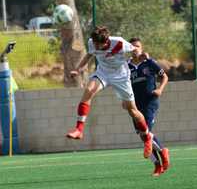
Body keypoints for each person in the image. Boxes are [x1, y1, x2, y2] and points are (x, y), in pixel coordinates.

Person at [66, 26, 153, 159]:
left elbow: (135, 50)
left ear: (106, 42)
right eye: (94, 43)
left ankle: (147, 137)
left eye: (98, 44)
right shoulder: (92, 42)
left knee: (133, 111)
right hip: (103, 73)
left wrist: (140, 56)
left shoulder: (119, 42)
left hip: (121, 77)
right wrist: (78, 70)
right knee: (89, 90)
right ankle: (79, 129)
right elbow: (88, 56)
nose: (95, 46)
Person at [128, 37, 170, 176]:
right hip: (135, 105)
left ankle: (161, 158)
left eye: (137, 46)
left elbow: (164, 77)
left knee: (146, 132)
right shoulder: (126, 66)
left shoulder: (149, 63)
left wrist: (159, 90)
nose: (135, 49)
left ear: (141, 48)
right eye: (132, 47)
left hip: (150, 102)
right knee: (142, 135)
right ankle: (159, 160)